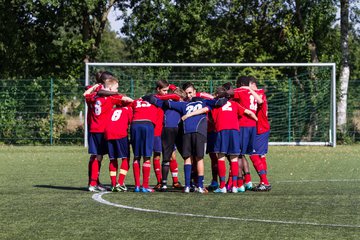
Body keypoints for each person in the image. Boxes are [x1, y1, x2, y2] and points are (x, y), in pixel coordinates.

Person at [169, 82, 227, 193]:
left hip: (204, 130)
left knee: (201, 158)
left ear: (195, 92)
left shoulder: (201, 98)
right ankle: (194, 184)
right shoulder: (187, 102)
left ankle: (203, 183)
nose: (189, 95)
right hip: (188, 132)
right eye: (186, 93)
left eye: (190, 92)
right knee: (194, 158)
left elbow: (216, 101)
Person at [84, 75, 133, 192]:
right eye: (116, 88)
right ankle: (94, 182)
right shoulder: (111, 98)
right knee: (100, 156)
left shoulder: (93, 97)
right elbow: (128, 100)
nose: (117, 90)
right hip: (103, 130)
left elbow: (86, 94)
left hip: (93, 129)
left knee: (95, 155)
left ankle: (93, 182)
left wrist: (94, 88)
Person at [233, 76, 263, 191]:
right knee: (245, 154)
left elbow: (229, 94)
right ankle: (248, 181)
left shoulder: (240, 91)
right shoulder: (255, 92)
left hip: (243, 125)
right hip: (252, 126)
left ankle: (239, 184)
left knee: (238, 154)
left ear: (240, 83)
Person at [130, 96, 162, 192]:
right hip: (147, 124)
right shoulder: (155, 101)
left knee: (136, 156)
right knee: (147, 156)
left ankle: (137, 186)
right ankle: (145, 186)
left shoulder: (135, 102)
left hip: (135, 124)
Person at [248, 76, 271, 191]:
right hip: (260, 128)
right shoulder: (255, 93)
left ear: (252, 84)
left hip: (260, 128)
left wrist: (249, 90)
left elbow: (260, 101)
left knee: (253, 155)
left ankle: (265, 182)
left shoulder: (259, 93)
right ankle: (263, 182)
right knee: (261, 155)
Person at [104, 102, 133, 192]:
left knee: (113, 159)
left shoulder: (111, 110)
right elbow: (132, 122)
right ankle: (120, 183)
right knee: (125, 158)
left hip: (108, 134)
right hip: (120, 134)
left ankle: (113, 184)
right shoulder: (127, 109)